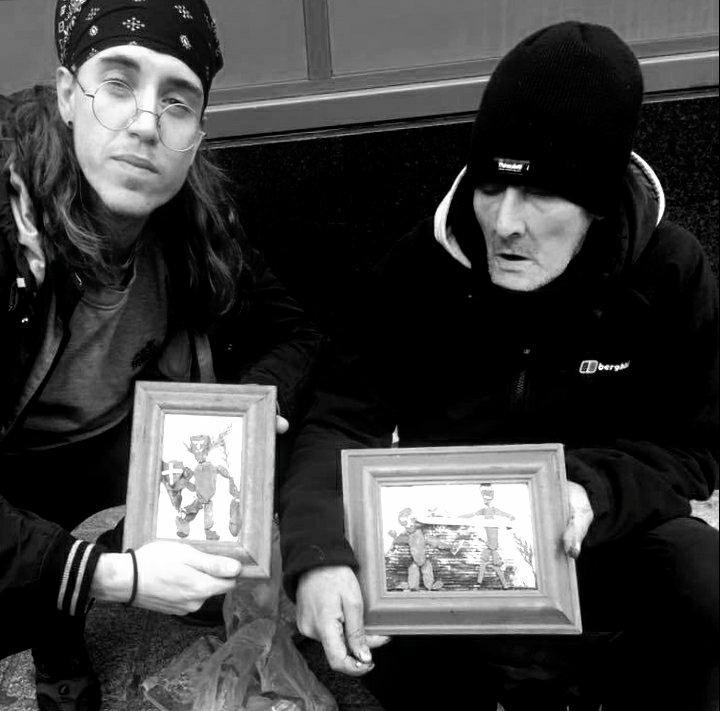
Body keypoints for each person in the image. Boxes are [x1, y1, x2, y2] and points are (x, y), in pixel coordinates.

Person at [278, 22, 718, 711]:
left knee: (702, 578)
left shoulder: (670, 273)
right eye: (490, 185)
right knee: (372, 602)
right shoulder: (417, 268)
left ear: (599, 202)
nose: (505, 222)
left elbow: (694, 447)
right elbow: (340, 416)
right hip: (446, 557)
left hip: (594, 544)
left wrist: (592, 490)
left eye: (541, 192)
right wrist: (318, 552)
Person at [0, 1, 321, 709]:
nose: (147, 123)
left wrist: (250, 412)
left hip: (122, 430)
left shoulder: (195, 220)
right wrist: (111, 575)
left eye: (177, 101)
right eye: (118, 84)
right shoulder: (8, 226)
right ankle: (60, 624)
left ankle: (103, 572)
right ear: (67, 94)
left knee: (266, 461)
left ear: (197, 132)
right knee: (37, 574)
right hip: (14, 451)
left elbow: (294, 333)